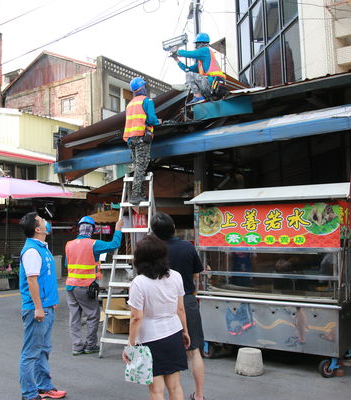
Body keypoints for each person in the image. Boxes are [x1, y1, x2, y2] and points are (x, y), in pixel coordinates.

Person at [123, 235, 190, 400]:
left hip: (150, 339)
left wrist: (130, 345)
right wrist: (185, 332)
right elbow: (180, 309)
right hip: (174, 333)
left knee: (156, 390)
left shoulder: (139, 283)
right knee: (175, 386)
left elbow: (136, 317)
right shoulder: (176, 276)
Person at [151, 212, 206, 400]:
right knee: (194, 350)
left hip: (159, 304)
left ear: (154, 231)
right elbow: (197, 274)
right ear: (173, 228)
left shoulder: (153, 251)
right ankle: (199, 395)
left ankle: (164, 393)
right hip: (187, 301)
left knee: (163, 351)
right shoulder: (186, 247)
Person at [18, 212, 66, 400]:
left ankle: (44, 387)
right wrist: (38, 307)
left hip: (47, 307)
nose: (47, 222)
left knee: (43, 349)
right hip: (37, 309)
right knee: (31, 353)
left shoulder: (41, 247)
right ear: (38, 229)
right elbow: (32, 281)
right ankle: (29, 394)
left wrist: (50, 303)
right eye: (43, 221)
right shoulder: (32, 250)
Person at [65, 216, 124, 355]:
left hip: (70, 286)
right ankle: (90, 345)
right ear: (92, 229)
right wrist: (118, 230)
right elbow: (114, 245)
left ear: (79, 228)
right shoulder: (93, 244)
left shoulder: (69, 244)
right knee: (92, 315)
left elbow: (67, 265)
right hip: (85, 285)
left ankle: (76, 346)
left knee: (74, 316)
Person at [123, 76, 160, 205]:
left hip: (130, 139)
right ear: (142, 88)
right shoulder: (147, 101)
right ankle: (135, 195)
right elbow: (151, 119)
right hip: (141, 137)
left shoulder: (130, 104)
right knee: (141, 166)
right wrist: (157, 122)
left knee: (137, 166)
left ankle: (139, 194)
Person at [170, 32, 227, 104]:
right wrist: (177, 60)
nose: (196, 46)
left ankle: (198, 97)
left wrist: (177, 51)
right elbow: (187, 70)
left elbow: (190, 54)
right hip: (212, 85)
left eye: (196, 44)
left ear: (201, 43)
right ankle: (199, 97)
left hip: (213, 83)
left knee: (189, 75)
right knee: (189, 74)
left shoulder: (206, 50)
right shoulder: (202, 62)